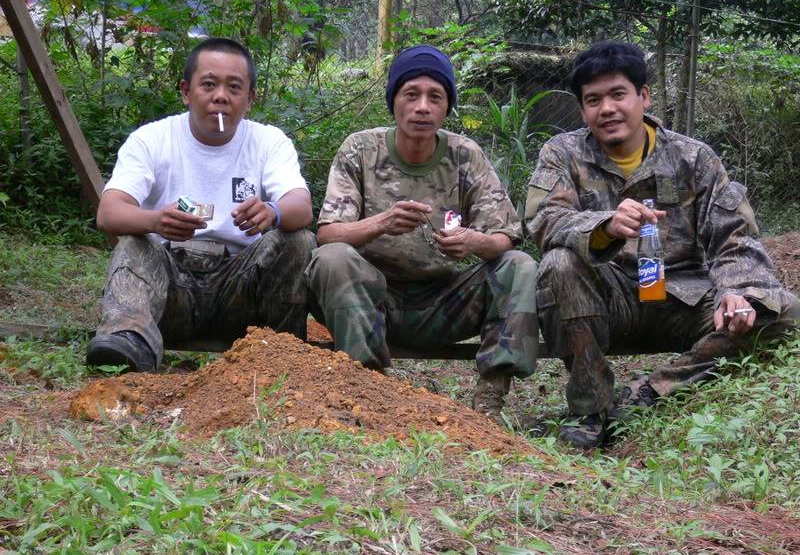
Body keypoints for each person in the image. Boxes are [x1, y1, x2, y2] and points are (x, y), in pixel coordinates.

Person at [525, 40, 800, 448]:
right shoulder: (563, 153)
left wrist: (738, 292)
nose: (607, 109)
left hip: (682, 298)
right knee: (558, 266)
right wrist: (605, 225)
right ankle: (590, 409)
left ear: (643, 96)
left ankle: (650, 393)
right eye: (593, 100)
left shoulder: (693, 158)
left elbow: (735, 236)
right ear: (582, 109)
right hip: (608, 294)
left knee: (781, 311)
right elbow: (544, 219)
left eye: (618, 94)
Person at [305, 45, 539, 424]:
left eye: (435, 97)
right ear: (393, 101)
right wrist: (380, 223)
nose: (422, 107)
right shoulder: (360, 149)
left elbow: (505, 237)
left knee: (519, 265)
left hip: (445, 303)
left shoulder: (466, 155)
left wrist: (471, 241)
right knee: (332, 259)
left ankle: (491, 396)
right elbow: (328, 235)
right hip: (373, 301)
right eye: (411, 95)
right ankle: (366, 387)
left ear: (447, 107)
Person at [87, 37, 315, 373]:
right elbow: (109, 212)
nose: (220, 96)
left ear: (250, 98)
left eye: (234, 87)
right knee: (135, 241)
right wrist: (154, 221)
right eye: (208, 84)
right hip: (170, 286)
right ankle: (128, 339)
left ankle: (282, 350)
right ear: (186, 91)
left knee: (298, 240)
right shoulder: (152, 139)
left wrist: (273, 211)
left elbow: (302, 205)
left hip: (240, 287)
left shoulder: (268, 141)